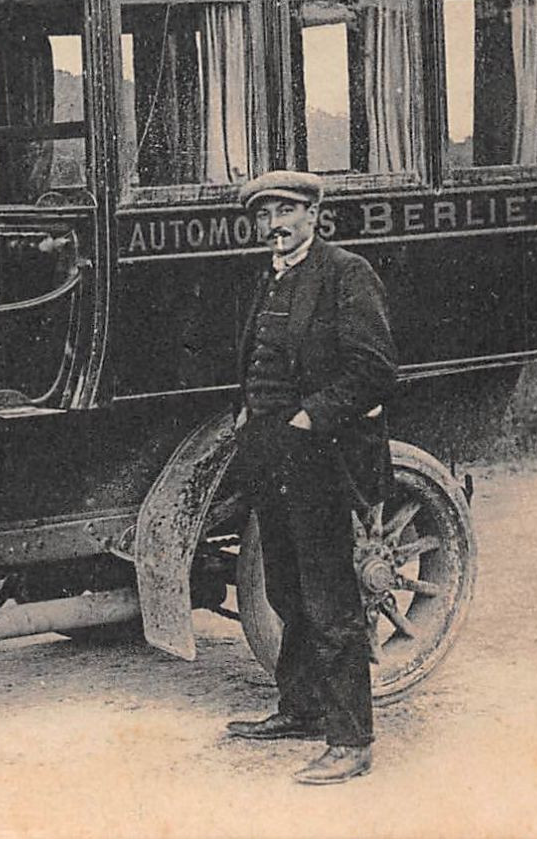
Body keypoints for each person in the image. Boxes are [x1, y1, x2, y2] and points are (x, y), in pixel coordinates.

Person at [224, 169, 398, 785]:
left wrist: (307, 418)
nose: (272, 228)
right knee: (287, 591)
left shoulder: (346, 274)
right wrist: (249, 415)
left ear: (312, 215)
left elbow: (374, 371)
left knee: (331, 601)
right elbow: (256, 360)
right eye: (263, 216)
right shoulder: (271, 279)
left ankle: (352, 741)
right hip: (271, 454)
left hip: (318, 456)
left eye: (284, 214)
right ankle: (300, 709)